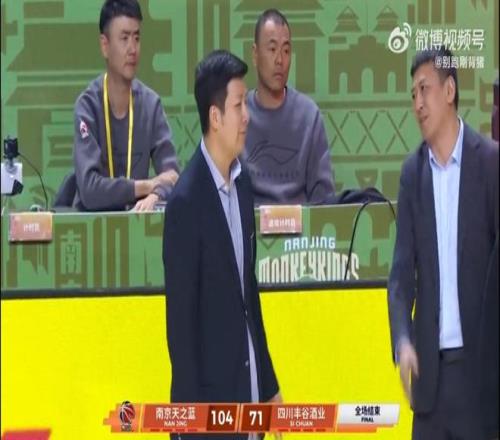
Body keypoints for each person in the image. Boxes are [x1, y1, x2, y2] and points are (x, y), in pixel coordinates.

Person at [163, 50, 281, 440]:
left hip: (250, 399)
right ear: (215, 118)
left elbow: (249, 296)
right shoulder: (185, 202)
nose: (247, 117)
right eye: (238, 105)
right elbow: (180, 330)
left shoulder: (243, 185)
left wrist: (269, 386)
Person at [388, 46, 499, 440]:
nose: (417, 104)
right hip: (430, 384)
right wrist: (402, 340)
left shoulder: (490, 163)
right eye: (413, 94)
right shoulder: (412, 174)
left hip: (480, 378)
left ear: (449, 90)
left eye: (425, 89)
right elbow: (401, 275)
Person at [72, 0, 179, 211]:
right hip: (94, 224)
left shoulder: (150, 104)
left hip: (136, 223)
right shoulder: (88, 106)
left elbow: (173, 176)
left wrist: (156, 195)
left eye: (137, 38)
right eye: (124, 38)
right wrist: (146, 186)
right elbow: (89, 190)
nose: (133, 49)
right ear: (105, 45)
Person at [242, 8, 334, 205]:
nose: (280, 60)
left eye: (286, 51)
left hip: (301, 223)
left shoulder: (309, 116)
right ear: (255, 54)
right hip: (250, 223)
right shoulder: (239, 115)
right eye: (272, 49)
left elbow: (323, 197)